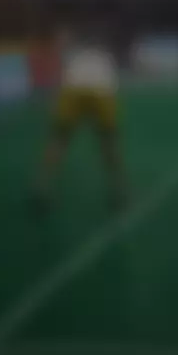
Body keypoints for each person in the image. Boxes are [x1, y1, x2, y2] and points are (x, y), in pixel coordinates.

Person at [34, 21, 126, 213]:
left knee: (60, 139)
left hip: (74, 88)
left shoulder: (73, 53)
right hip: (100, 88)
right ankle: (118, 187)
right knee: (108, 141)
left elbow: (60, 75)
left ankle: (42, 186)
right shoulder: (104, 55)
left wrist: (54, 98)